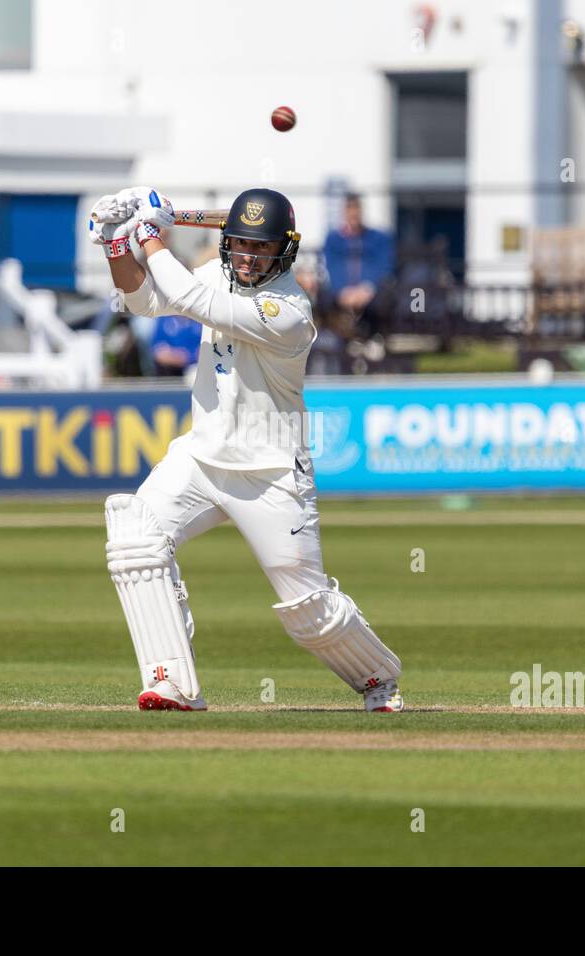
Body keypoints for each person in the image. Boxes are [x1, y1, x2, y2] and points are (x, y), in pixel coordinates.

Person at [88, 185, 403, 712]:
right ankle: (171, 682)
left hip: (271, 473)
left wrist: (152, 236)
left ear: (285, 250)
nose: (250, 257)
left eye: (261, 248)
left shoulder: (290, 309)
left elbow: (191, 300)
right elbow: (144, 301)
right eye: (241, 244)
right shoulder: (216, 272)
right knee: (134, 539)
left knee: (309, 610)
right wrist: (116, 244)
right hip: (201, 459)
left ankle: (378, 676)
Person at [321, 194, 393, 331]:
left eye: (356, 210)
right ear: (344, 213)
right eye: (349, 210)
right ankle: (333, 339)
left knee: (382, 301)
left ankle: (374, 337)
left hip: (369, 292)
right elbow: (331, 266)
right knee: (324, 299)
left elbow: (384, 266)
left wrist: (367, 288)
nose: (353, 214)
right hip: (342, 292)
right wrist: (342, 291)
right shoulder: (333, 239)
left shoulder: (378, 238)